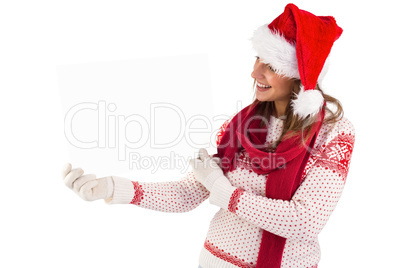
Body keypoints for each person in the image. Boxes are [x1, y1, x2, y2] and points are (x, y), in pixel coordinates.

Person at [61, 4, 356, 268]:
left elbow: (304, 221)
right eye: (257, 59)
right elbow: (188, 194)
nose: (255, 73)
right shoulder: (243, 125)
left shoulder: (333, 134)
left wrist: (224, 192)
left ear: (300, 73)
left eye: (271, 65)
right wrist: (112, 187)